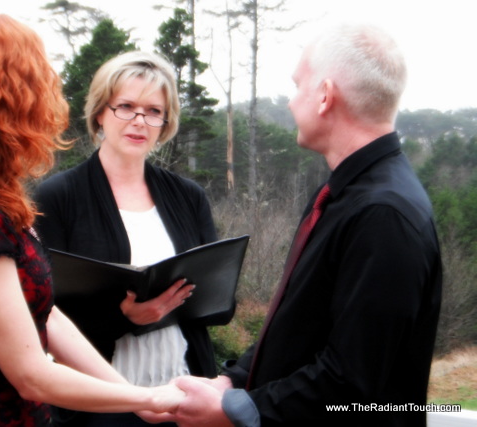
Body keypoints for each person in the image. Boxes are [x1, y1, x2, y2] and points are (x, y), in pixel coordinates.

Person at [0, 13, 185, 426]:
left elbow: (47, 316)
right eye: (38, 85)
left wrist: (139, 399)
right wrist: (148, 400)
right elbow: (32, 375)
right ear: (10, 101)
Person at [159, 23, 443, 427]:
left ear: (325, 95)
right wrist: (231, 383)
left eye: (298, 87)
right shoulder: (341, 194)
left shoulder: (384, 216)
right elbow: (295, 327)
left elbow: (350, 384)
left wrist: (233, 413)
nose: (292, 103)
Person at [33, 51, 227, 426]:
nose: (140, 121)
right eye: (126, 106)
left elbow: (217, 300)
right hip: (101, 402)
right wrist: (124, 317)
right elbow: (42, 313)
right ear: (100, 113)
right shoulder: (58, 197)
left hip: (185, 391)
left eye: (154, 111)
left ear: (165, 122)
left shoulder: (189, 196)